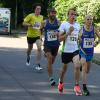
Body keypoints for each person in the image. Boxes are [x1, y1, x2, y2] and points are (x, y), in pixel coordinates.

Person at [58, 7, 82, 95]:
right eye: (71, 14)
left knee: (77, 66)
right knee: (64, 69)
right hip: (66, 51)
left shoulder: (78, 25)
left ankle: (76, 85)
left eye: (75, 14)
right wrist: (68, 32)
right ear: (68, 15)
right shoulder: (64, 25)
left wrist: (80, 39)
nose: (73, 16)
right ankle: (60, 82)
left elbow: (77, 37)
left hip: (75, 50)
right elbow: (60, 39)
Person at [79, 15, 100, 96]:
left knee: (87, 70)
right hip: (82, 51)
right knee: (84, 67)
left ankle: (82, 68)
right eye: (88, 19)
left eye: (91, 19)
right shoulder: (82, 29)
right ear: (85, 20)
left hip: (90, 52)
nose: (89, 21)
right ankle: (84, 88)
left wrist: (96, 42)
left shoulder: (94, 29)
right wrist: (79, 40)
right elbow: (78, 38)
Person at [42, 8, 60, 86]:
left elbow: (62, 31)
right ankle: (51, 78)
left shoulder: (58, 22)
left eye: (54, 13)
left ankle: (48, 65)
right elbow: (40, 30)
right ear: (48, 14)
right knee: (49, 59)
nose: (53, 14)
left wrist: (59, 35)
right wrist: (40, 37)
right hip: (47, 44)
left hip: (56, 44)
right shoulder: (45, 22)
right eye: (52, 13)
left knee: (52, 62)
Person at [23, 3, 43, 70]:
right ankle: (28, 56)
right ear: (34, 9)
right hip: (30, 35)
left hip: (37, 35)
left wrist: (41, 35)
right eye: (37, 9)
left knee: (39, 48)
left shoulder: (41, 17)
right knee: (30, 49)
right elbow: (23, 23)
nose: (39, 10)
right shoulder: (30, 16)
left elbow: (40, 27)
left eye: (40, 9)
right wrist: (30, 25)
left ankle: (38, 64)